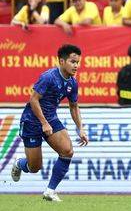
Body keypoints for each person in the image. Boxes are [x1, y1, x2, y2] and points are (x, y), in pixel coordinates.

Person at [11, 44, 89, 202]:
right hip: (31, 121)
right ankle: (19, 163)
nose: (76, 66)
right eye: (73, 62)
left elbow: (73, 106)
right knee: (34, 167)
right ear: (62, 61)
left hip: (51, 119)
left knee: (68, 151)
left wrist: (80, 128)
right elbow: (33, 100)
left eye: (78, 62)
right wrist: (44, 123)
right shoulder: (49, 77)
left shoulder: (72, 83)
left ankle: (50, 191)